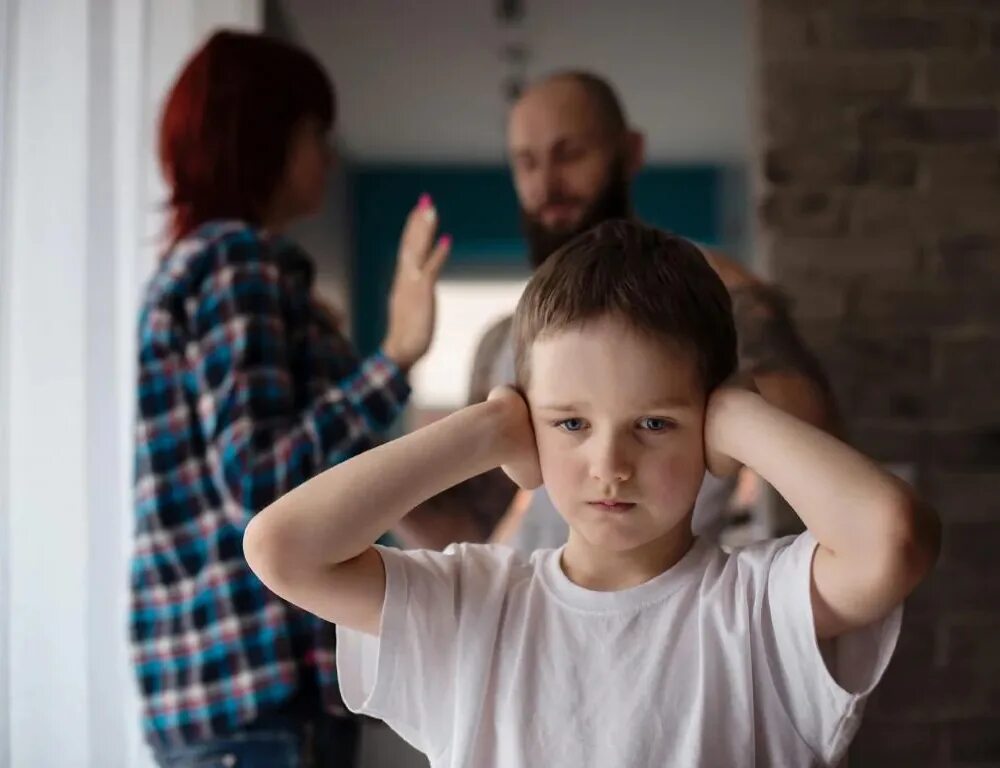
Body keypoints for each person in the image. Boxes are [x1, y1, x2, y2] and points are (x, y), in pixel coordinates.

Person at [244, 221, 940, 767]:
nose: (611, 464)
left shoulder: (758, 607)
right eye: (570, 422)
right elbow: (281, 549)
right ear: (528, 419)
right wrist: (486, 431)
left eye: (654, 423)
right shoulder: (473, 603)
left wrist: (739, 417)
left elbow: (894, 540)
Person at [130, 31, 449, 767]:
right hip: (257, 690)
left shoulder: (207, 268)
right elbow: (261, 481)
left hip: (221, 695)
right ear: (262, 136)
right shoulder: (236, 262)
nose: (329, 158)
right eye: (315, 133)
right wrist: (395, 355)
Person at [394, 71, 837, 552]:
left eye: (570, 154)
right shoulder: (505, 339)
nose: (547, 185)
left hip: (673, 604)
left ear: (630, 153)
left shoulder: (720, 295)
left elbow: (812, 431)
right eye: (527, 163)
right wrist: (388, 368)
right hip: (542, 608)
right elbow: (472, 522)